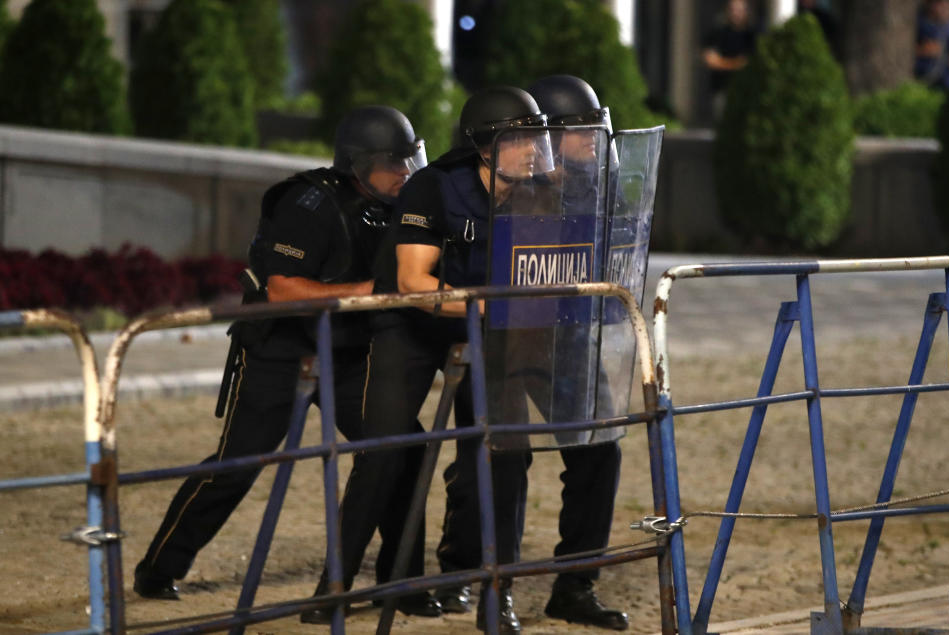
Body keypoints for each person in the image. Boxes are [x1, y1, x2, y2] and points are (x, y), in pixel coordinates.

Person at [132, 106, 437, 617]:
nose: (406, 173)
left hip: (347, 352)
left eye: (411, 160)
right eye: (394, 162)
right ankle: (159, 567)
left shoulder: (390, 207)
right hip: (281, 350)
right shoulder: (307, 204)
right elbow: (281, 289)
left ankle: (401, 580)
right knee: (238, 464)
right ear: (358, 164)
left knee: (404, 447)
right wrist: (366, 292)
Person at [305, 86, 551, 634]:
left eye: (538, 136)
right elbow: (415, 281)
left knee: (505, 450)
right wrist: (487, 303)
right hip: (412, 323)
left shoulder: (535, 193)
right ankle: (336, 583)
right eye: (522, 137)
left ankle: (493, 586)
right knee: (385, 447)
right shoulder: (433, 188)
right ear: (486, 146)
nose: (535, 147)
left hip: (484, 323)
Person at [512, 74, 629, 632]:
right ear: (552, 136)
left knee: (598, 452)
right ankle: (474, 581)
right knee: (494, 461)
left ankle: (575, 583)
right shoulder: (511, 184)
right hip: (507, 342)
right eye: (582, 133)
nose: (593, 143)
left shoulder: (594, 186)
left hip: (573, 337)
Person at [702, 0, 758, 121]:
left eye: (739, 10)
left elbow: (750, 62)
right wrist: (736, 64)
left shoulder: (751, 35)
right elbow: (710, 60)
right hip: (722, 89)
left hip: (746, 91)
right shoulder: (718, 32)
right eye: (733, 10)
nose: (736, 13)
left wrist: (723, 62)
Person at [915, 0, 949, 91]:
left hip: (946, 79)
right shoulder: (920, 23)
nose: (943, 7)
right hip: (922, 75)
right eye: (938, 3)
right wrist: (923, 49)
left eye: (946, 4)